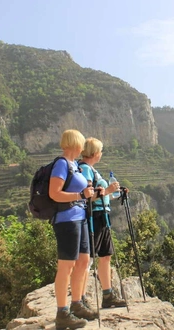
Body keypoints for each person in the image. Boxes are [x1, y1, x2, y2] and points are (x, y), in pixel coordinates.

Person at [49, 129, 98, 330]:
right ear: (76, 144)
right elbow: (55, 193)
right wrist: (80, 195)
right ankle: (62, 313)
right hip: (67, 220)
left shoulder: (74, 166)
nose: (82, 148)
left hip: (80, 218)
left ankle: (77, 304)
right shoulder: (61, 164)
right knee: (66, 266)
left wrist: (87, 193)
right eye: (81, 144)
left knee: (84, 261)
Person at [78, 137, 127, 309]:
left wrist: (115, 192)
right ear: (94, 152)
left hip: (102, 216)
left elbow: (101, 194)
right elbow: (87, 195)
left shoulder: (92, 170)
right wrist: (108, 190)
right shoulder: (84, 169)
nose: (101, 153)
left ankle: (108, 296)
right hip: (93, 217)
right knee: (88, 259)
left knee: (106, 256)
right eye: (100, 150)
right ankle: (80, 299)